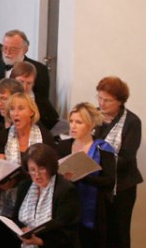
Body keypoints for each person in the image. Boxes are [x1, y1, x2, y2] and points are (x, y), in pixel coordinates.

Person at [0, 92, 54, 237]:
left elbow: (51, 171)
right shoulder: (2, 136)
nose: (15, 113)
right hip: (9, 198)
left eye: (21, 108)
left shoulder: (44, 136)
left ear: (31, 112)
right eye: (12, 109)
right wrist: (0, 182)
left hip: (38, 199)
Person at [55, 102, 115, 248]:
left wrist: (83, 176)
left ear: (91, 125)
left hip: (93, 210)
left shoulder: (103, 148)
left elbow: (109, 181)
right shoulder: (63, 146)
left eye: (78, 122)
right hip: (66, 207)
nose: (73, 126)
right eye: (71, 121)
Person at [93, 76, 141, 248]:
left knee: (118, 234)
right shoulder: (95, 116)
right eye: (99, 98)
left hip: (121, 186)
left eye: (108, 100)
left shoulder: (132, 122)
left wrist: (98, 159)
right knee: (99, 233)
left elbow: (126, 158)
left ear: (120, 101)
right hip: (98, 183)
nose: (102, 103)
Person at [13, 144, 81, 248]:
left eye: (41, 168)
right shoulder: (24, 186)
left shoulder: (65, 190)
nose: (37, 174)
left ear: (50, 167)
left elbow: (68, 233)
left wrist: (40, 241)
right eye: (32, 169)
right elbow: (15, 219)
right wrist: (22, 230)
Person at [9, 61, 59, 129]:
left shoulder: (42, 101)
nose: (24, 87)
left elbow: (55, 123)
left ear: (33, 84)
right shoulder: (2, 98)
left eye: (29, 83)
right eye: (21, 82)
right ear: (12, 80)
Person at [2, 30, 50, 102]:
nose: (7, 52)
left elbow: (42, 100)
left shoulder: (39, 70)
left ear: (25, 50)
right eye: (5, 48)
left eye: (13, 49)